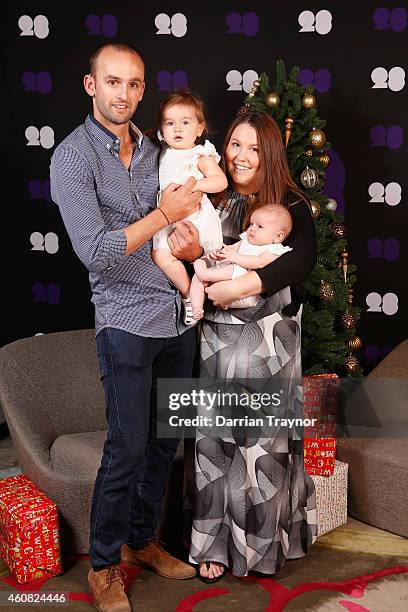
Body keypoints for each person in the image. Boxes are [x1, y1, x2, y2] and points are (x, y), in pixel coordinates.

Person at [50, 42, 203, 612]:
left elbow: (179, 237)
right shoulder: (71, 158)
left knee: (165, 444)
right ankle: (106, 564)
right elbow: (96, 251)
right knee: (128, 445)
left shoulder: (159, 150)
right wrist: (167, 216)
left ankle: (142, 540)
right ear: (92, 86)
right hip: (124, 322)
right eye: (113, 82)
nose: (124, 93)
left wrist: (186, 241)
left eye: (134, 84)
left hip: (174, 316)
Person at [187, 111, 318, 582]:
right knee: (214, 444)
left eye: (253, 148)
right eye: (234, 145)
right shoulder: (212, 196)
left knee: (262, 447)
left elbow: (302, 261)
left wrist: (245, 281)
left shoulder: (291, 206)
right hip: (217, 341)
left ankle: (261, 546)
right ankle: (213, 546)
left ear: (271, 154)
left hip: (270, 344)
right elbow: (192, 254)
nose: (240, 156)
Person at [151, 91, 226, 324]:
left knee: (202, 261)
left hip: (197, 218)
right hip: (169, 220)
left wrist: (194, 187)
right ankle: (188, 296)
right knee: (160, 255)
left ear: (199, 128)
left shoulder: (200, 155)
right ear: (161, 131)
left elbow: (220, 181)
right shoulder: (161, 154)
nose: (178, 129)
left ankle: (197, 297)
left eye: (185, 123)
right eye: (170, 123)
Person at [191, 203, 293, 317]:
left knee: (233, 268)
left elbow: (259, 262)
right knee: (197, 279)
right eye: (251, 224)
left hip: (243, 291)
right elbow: (230, 250)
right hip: (223, 283)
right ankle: (196, 307)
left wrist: (235, 258)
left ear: (278, 236)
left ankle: (205, 274)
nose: (252, 229)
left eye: (260, 226)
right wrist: (218, 254)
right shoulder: (247, 240)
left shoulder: (274, 249)